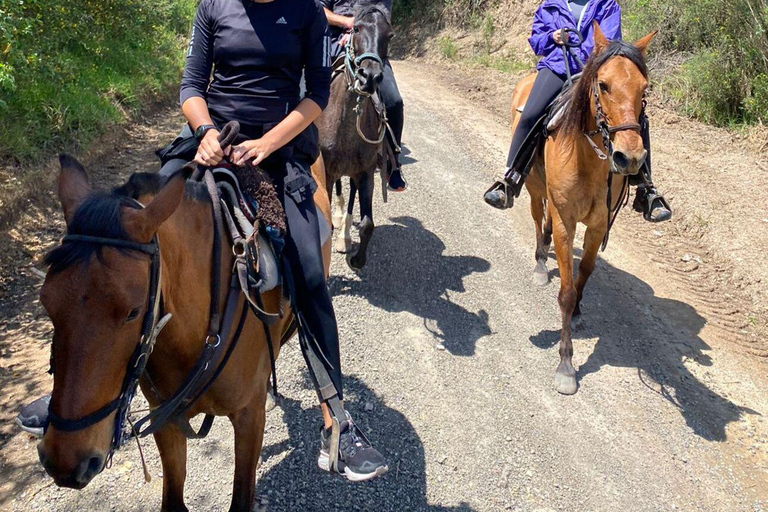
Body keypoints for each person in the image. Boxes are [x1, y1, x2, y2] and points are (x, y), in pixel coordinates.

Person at [18, 0, 387, 482]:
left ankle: (336, 417)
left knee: (312, 274)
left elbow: (316, 95)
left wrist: (268, 143)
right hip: (209, 142)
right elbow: (192, 85)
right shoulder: (213, 6)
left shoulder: (307, 13)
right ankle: (69, 391)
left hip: (275, 151)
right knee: (117, 236)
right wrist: (205, 130)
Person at [483, 0, 671, 222]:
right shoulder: (549, 5)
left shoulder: (607, 5)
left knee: (637, 118)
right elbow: (536, 41)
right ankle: (510, 179)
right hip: (557, 68)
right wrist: (552, 38)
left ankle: (645, 189)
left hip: (592, 71)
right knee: (531, 114)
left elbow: (610, 43)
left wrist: (592, 57)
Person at [321, 0, 408, 191]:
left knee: (394, 101)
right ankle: (298, 157)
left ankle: (392, 162)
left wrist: (359, 32)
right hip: (333, 42)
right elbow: (318, 9)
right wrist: (346, 23)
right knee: (300, 89)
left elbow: (383, 18)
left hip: (370, 47)